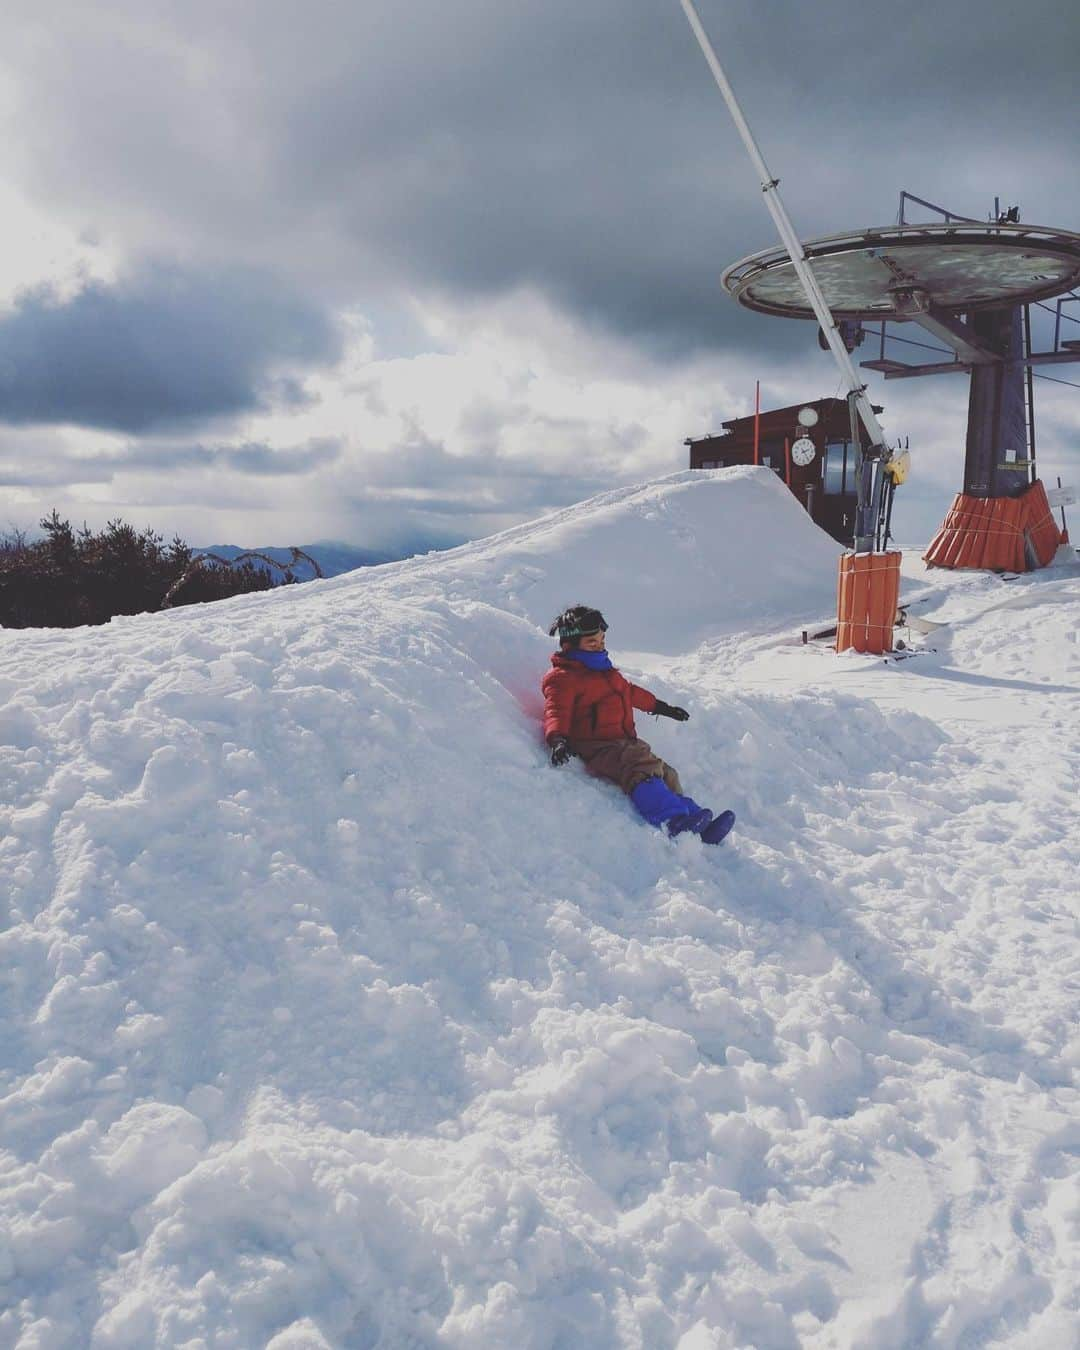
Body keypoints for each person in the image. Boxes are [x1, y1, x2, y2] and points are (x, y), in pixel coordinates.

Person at [542, 604, 735, 844]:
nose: (600, 647)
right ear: (570, 646)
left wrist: (661, 707)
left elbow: (630, 693)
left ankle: (697, 821)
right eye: (592, 643)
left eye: (602, 641)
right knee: (640, 769)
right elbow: (556, 711)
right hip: (597, 746)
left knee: (666, 774)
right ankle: (673, 821)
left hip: (624, 741)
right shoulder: (563, 679)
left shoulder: (606, 673)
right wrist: (558, 739)